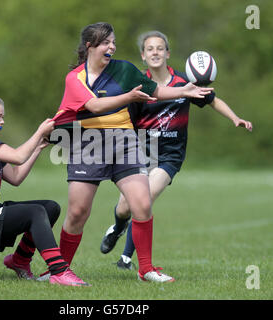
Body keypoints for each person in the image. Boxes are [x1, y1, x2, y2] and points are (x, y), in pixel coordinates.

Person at [45, 22, 213, 283]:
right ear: (89, 46)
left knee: (142, 203)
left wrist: (183, 90)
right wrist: (129, 97)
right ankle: (59, 271)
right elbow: (95, 105)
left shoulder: (124, 69)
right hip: (88, 143)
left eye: (113, 42)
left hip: (124, 140)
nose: (111, 46)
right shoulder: (74, 78)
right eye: (105, 42)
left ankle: (145, 269)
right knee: (78, 212)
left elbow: (154, 91)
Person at [99, 31, 253, 270]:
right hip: (140, 152)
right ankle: (118, 228)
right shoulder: (138, 85)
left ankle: (126, 258)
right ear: (143, 55)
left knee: (144, 200)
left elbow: (212, 100)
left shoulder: (185, 83)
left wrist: (235, 117)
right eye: (150, 49)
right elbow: (124, 119)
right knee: (124, 208)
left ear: (168, 53)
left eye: (160, 48)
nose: (155, 52)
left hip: (169, 156)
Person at [0, 88, 89, 286]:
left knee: (49, 207)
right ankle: (60, 272)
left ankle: (19, 261)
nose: (2, 121)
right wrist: (39, 132)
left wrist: (38, 147)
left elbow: (16, 176)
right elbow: (18, 156)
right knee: (35, 212)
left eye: (3, 117)